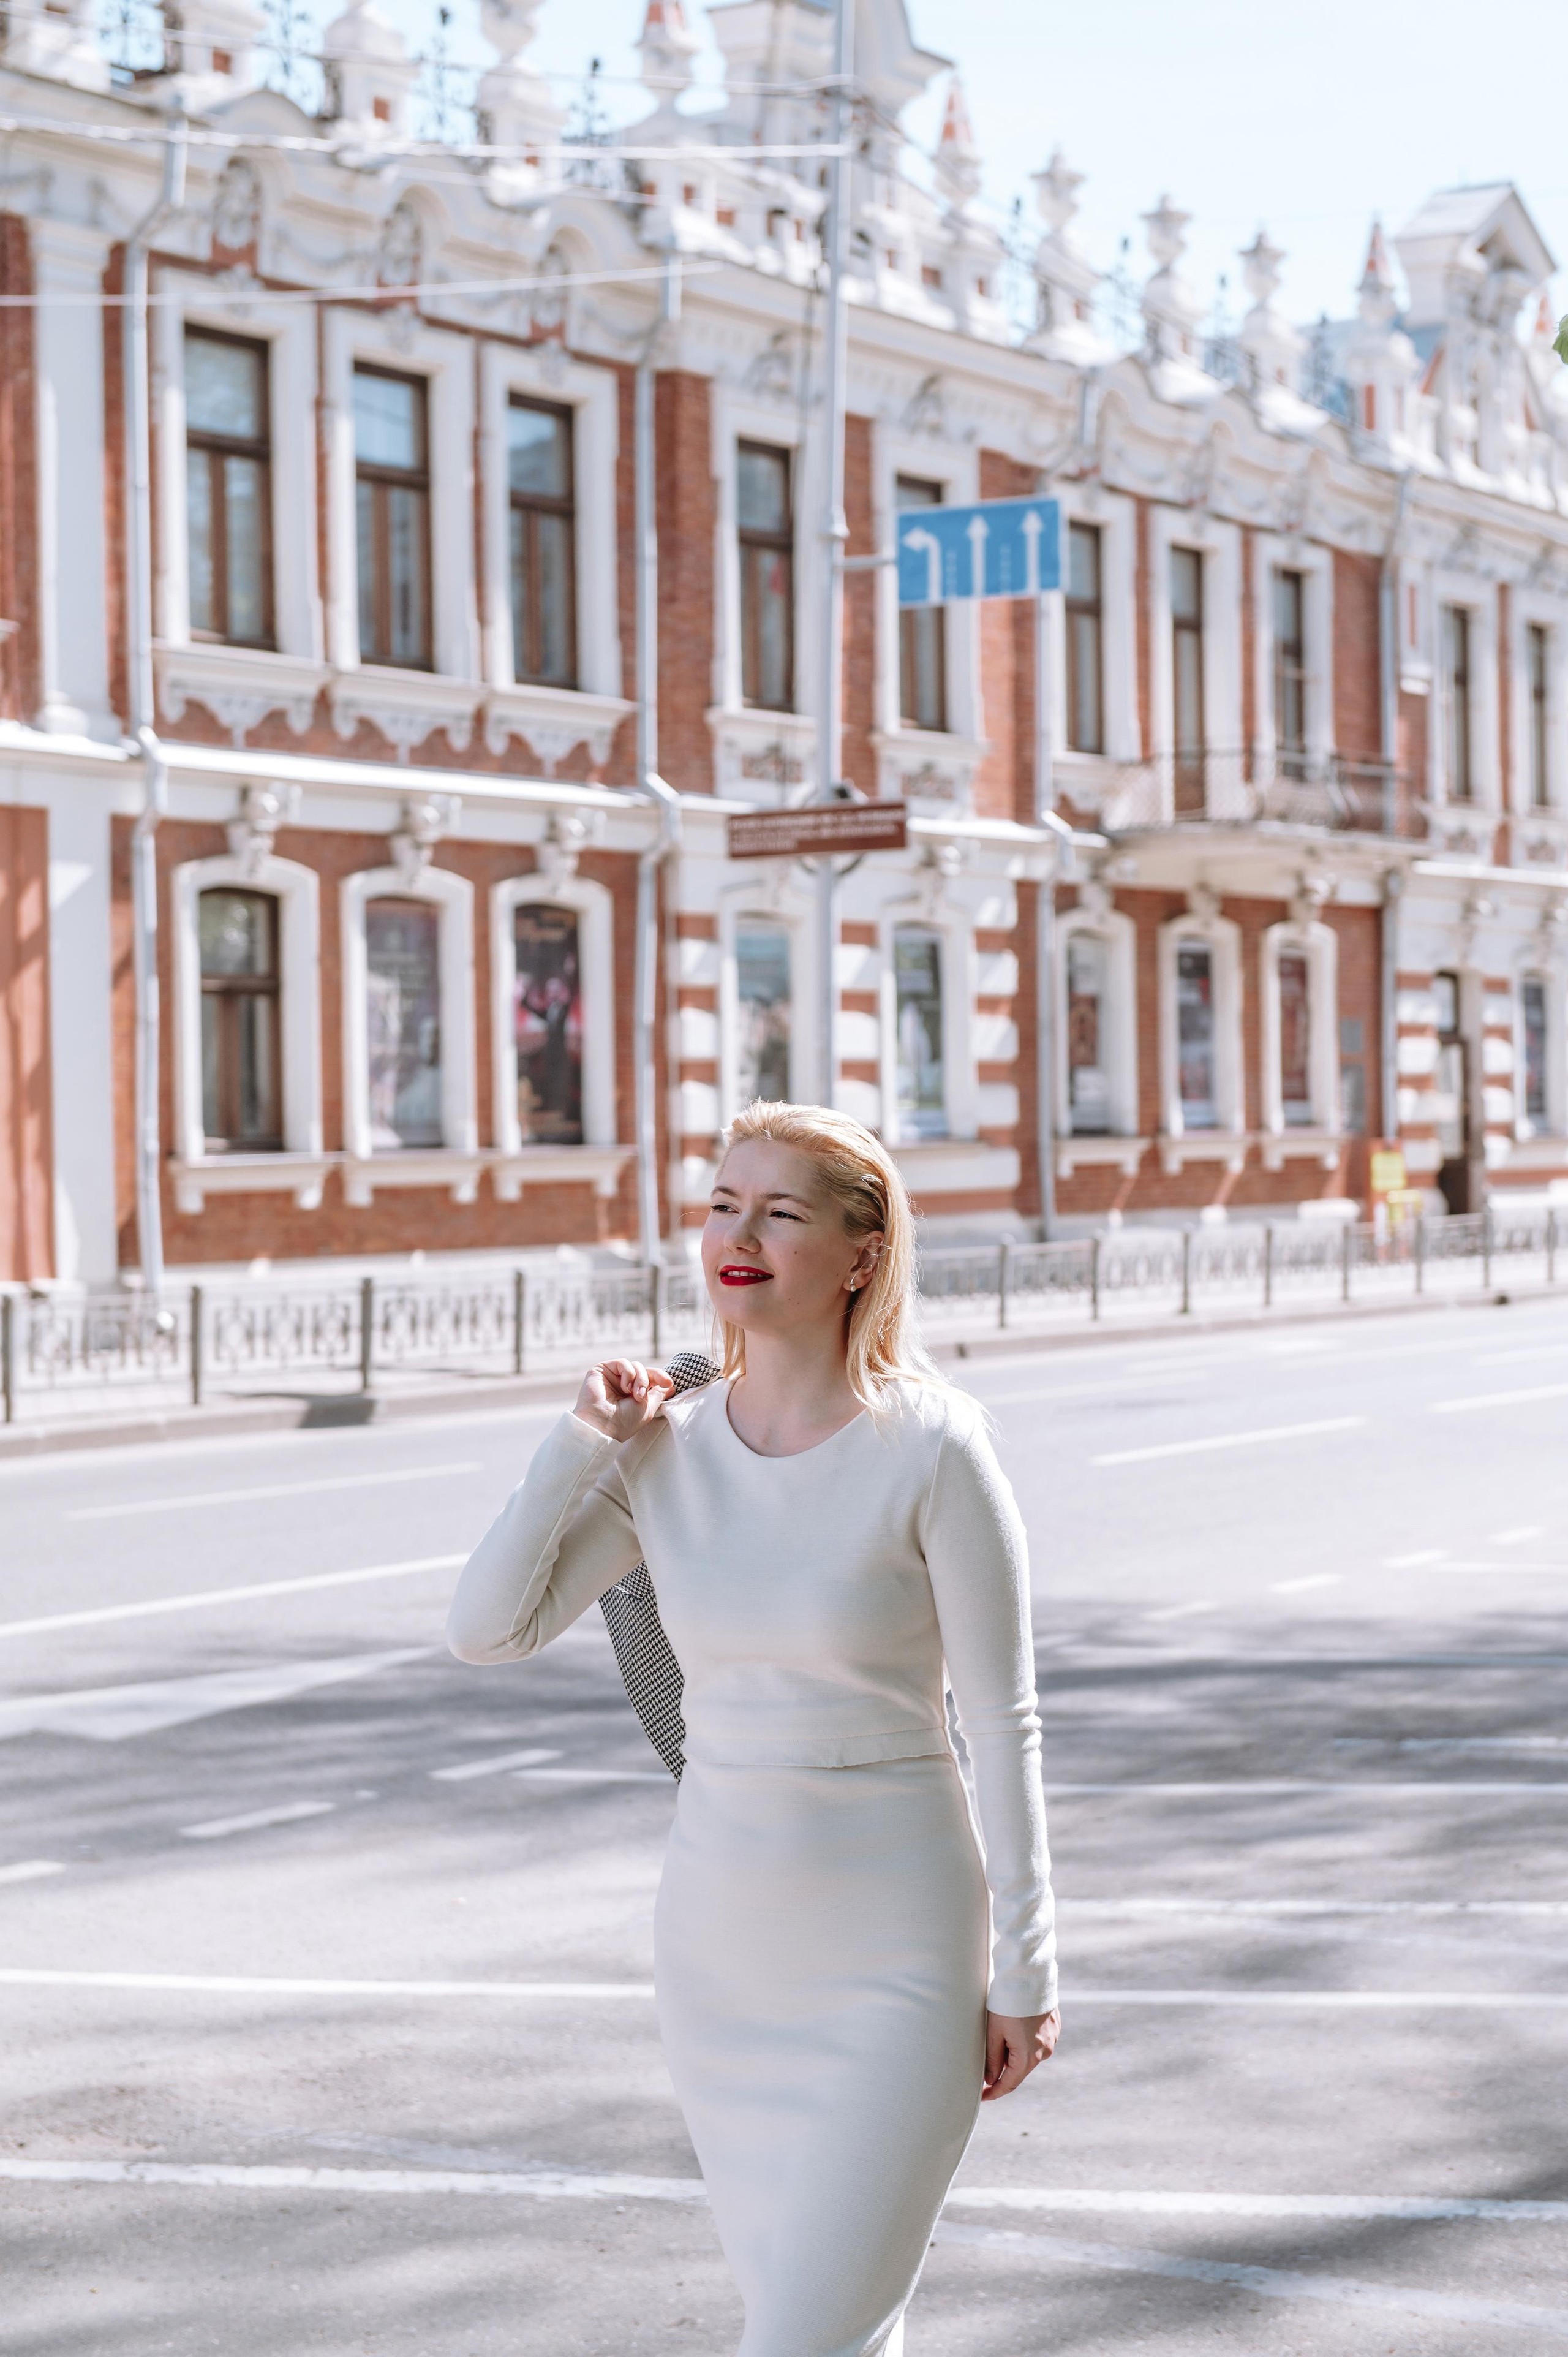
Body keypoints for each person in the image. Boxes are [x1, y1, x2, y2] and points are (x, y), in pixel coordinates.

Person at [447, 1101, 1059, 2356]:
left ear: (860, 1253)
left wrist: (1027, 1967)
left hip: (897, 1945)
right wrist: (578, 1447)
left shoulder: (935, 1447)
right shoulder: (662, 1446)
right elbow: (487, 1628)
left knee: (807, 2333)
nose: (739, 1235)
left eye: (781, 1211)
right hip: (722, 1947)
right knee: (826, 2321)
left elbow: (1002, 1720)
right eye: (724, 1203)